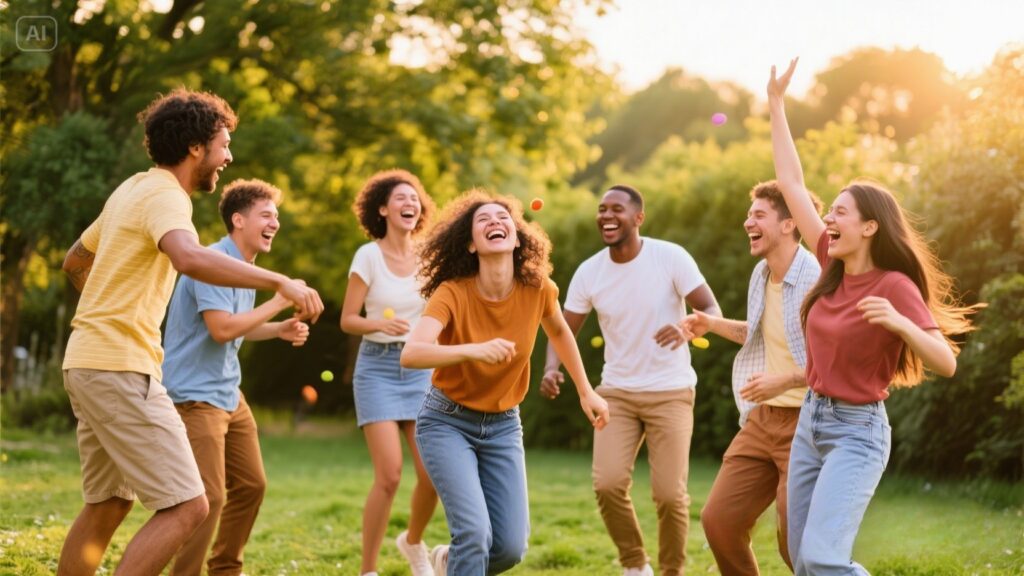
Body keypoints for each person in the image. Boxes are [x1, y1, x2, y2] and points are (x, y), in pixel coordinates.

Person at [58, 88, 323, 576]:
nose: (228, 156)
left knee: (109, 505)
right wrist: (279, 281)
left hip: (87, 359)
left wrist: (108, 304)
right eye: (224, 144)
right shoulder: (165, 195)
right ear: (197, 146)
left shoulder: (131, 188)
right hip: (119, 365)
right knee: (190, 506)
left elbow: (74, 260)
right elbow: (189, 257)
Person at [767, 58, 977, 574]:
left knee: (822, 557)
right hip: (811, 423)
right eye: (830, 212)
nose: (828, 218)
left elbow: (945, 364)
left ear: (869, 228)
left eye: (839, 212)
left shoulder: (895, 286)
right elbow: (791, 182)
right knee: (802, 560)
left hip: (857, 432)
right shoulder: (828, 260)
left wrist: (904, 324)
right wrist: (775, 103)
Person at [400, 190, 610, 575]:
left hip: (502, 425)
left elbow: (561, 333)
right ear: (470, 242)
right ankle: (461, 557)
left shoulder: (538, 289)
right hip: (447, 420)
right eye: (483, 220)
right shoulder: (452, 293)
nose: (495, 222)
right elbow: (412, 353)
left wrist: (586, 391)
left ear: (517, 237)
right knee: (475, 535)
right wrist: (472, 350)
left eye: (503, 218)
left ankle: (448, 562)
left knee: (510, 548)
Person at [540, 185, 722, 576]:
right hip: (616, 394)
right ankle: (635, 565)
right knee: (607, 484)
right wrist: (550, 368)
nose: (606, 215)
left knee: (670, 496)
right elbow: (560, 330)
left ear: (638, 218)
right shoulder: (590, 271)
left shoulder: (670, 257)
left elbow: (709, 307)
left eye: (616, 209)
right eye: (601, 209)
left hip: (671, 392)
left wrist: (687, 328)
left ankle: (672, 570)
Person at [162, 179, 310, 576]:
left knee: (251, 486)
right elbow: (222, 329)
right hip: (195, 396)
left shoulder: (245, 269)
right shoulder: (212, 263)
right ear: (238, 219)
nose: (275, 223)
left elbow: (238, 326)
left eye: (276, 216)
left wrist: (277, 328)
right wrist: (279, 299)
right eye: (267, 215)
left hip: (228, 393)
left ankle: (225, 568)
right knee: (206, 498)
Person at [684, 181, 822, 575]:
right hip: (763, 419)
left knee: (794, 540)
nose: (748, 222)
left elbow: (834, 362)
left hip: (806, 424)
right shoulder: (762, 273)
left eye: (759, 215)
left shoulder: (815, 279)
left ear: (789, 224)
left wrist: (785, 381)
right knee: (720, 521)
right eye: (749, 215)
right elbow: (759, 332)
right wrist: (711, 323)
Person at [340, 170, 439, 576]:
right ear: (382, 209)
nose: (409, 203)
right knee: (390, 475)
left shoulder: (430, 257)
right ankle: (368, 569)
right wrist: (379, 324)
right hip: (378, 369)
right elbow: (348, 319)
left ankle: (412, 542)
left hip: (420, 368)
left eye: (414, 198)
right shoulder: (368, 256)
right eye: (400, 197)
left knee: (432, 474)